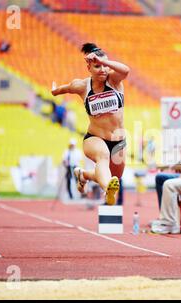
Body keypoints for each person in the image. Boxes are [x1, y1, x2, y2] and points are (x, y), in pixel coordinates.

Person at [51, 42, 129, 205]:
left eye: (104, 66)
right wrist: (55, 91)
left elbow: (125, 70)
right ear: (89, 68)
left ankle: (84, 175)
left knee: (116, 176)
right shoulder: (82, 86)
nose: (102, 70)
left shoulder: (114, 80)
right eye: (97, 66)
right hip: (94, 138)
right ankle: (108, 188)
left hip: (118, 141)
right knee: (103, 158)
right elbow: (65, 89)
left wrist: (104, 62)